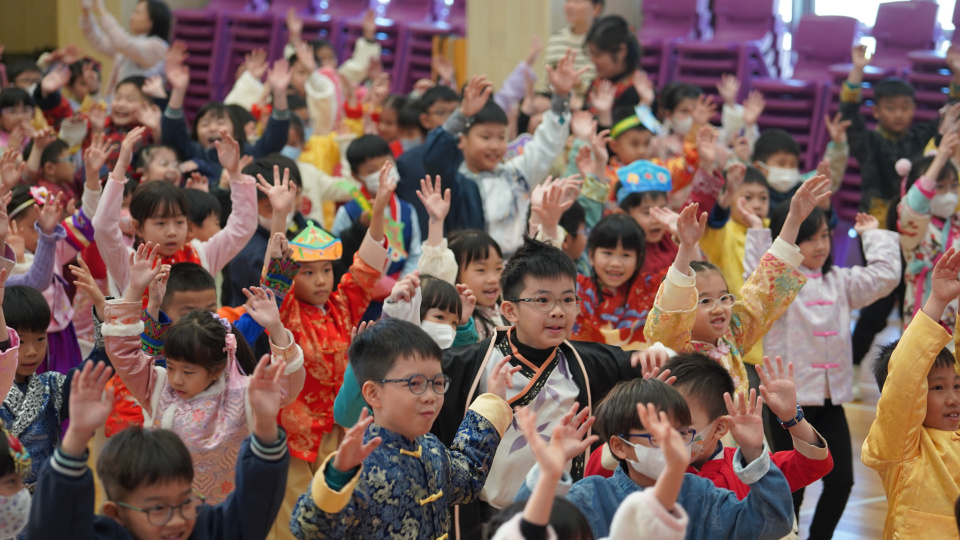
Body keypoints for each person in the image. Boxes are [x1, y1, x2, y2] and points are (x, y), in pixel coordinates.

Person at [436, 236, 648, 536]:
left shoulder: (592, 362)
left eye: (568, 300)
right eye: (543, 300)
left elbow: (658, 363)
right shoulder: (470, 365)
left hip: (566, 521)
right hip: (489, 524)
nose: (558, 311)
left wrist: (656, 355)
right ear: (510, 311)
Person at [100, 241, 304, 504]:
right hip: (167, 508)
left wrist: (276, 328)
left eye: (187, 371)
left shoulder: (244, 393)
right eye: (170, 366)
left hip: (227, 512)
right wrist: (134, 290)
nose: (176, 378)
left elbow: (287, 387)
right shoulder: (158, 387)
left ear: (217, 368)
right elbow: (123, 354)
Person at [744, 201, 900, 537]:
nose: (820, 245)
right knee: (791, 489)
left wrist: (873, 236)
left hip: (830, 402)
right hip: (788, 405)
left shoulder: (840, 280)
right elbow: (756, 279)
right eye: (809, 238)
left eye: (825, 236)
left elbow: (886, 276)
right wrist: (758, 231)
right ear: (789, 243)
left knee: (842, 482)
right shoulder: (779, 290)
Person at [290, 318, 515, 538]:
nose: (430, 396)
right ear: (373, 393)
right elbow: (309, 530)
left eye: (437, 383)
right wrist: (338, 476)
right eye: (414, 384)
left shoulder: (431, 447)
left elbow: (466, 478)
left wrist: (493, 402)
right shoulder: (359, 464)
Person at [26, 355, 291, 539]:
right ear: (115, 513)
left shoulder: (206, 530)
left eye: (185, 501)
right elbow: (54, 529)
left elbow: (253, 508)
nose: (177, 520)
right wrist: (77, 435)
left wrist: (265, 425)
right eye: (157, 509)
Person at [269, 162, 393, 540]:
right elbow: (274, 278)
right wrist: (279, 216)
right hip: (291, 434)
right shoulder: (286, 311)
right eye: (308, 272)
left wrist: (379, 206)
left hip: (340, 428)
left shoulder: (342, 306)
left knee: (339, 512)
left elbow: (366, 267)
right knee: (292, 522)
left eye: (326, 270)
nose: (321, 280)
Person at [514, 377, 795, 539]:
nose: (673, 445)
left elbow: (771, 524)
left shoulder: (701, 494)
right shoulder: (590, 497)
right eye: (657, 437)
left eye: (681, 434)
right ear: (620, 447)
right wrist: (547, 472)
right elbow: (520, 530)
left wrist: (753, 451)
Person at [644, 175, 830, 397]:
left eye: (724, 298)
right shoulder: (674, 343)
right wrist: (686, 247)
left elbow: (764, 288)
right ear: (684, 310)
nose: (719, 308)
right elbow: (671, 307)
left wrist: (794, 219)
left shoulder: (734, 334)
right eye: (705, 301)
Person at [422, 56, 582, 251]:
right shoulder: (457, 182)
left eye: (500, 137)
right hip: (474, 266)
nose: (495, 146)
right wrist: (462, 114)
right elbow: (434, 157)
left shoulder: (515, 175)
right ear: (462, 140)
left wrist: (561, 97)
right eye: (485, 137)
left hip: (518, 266)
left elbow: (546, 146)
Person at [92, 126, 257, 300]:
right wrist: (120, 168)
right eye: (161, 223)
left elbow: (242, 227)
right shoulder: (128, 262)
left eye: (179, 222)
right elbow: (104, 227)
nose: (172, 232)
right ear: (137, 227)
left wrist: (235, 173)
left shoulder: (201, 255)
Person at [863, 247, 960, 538]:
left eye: (957, 386)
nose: (953, 398)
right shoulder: (902, 446)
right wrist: (937, 300)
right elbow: (904, 379)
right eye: (938, 387)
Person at [490, 405, 688, 540]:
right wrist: (547, 476)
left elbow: (642, 533)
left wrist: (674, 470)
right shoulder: (587, 494)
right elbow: (525, 529)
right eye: (655, 438)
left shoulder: (696, 488)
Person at [334, 272, 479, 429]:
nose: (448, 328)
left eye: (454, 323)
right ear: (412, 312)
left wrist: (463, 327)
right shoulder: (386, 363)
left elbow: (459, 358)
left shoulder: (448, 358)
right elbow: (347, 416)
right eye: (440, 317)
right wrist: (362, 361)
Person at [163, 46, 291, 183]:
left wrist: (279, 93)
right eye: (205, 124)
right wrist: (178, 90)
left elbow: (276, 136)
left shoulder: (250, 154)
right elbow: (172, 133)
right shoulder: (194, 154)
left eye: (220, 122)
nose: (213, 128)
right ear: (196, 133)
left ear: (236, 130)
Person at [416, 176, 506, 339]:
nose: (493, 279)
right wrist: (436, 222)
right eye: (481, 270)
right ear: (455, 275)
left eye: (499, 268)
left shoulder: (508, 311)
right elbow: (436, 275)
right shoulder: (458, 321)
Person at [897, 134, 960, 332]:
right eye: (939, 186)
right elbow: (915, 202)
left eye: (954, 185)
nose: (948, 193)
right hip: (923, 311)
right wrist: (941, 157)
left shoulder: (957, 223)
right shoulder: (914, 225)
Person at [395, 84, 460, 233]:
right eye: (441, 113)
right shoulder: (408, 162)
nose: (450, 119)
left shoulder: (468, 155)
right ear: (425, 120)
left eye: (455, 113)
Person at [80, 0, 170, 96]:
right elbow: (98, 41)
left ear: (151, 22)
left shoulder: (159, 47)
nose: (131, 16)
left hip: (139, 103)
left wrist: (101, 11)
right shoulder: (132, 44)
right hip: (118, 101)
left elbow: (123, 44)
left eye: (137, 13)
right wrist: (86, 13)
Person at [538, 0, 602, 98]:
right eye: (568, 1)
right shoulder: (556, 39)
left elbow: (609, 89)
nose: (570, 6)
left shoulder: (603, 43)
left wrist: (579, 84)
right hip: (556, 103)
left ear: (596, 9)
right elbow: (545, 84)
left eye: (577, 1)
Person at [583, 15, 641, 125]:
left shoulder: (635, 91)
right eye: (591, 54)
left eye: (598, 55)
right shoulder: (598, 82)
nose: (593, 60)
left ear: (621, 51)